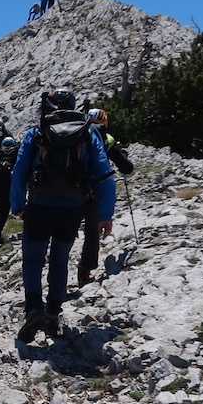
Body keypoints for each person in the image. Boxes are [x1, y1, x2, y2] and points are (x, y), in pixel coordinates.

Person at [10, 88, 116, 341]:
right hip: (72, 207)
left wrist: (17, 205)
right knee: (60, 259)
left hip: (39, 205)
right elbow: (104, 174)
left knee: (32, 260)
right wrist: (105, 213)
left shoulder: (37, 132)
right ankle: (52, 315)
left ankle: (34, 309)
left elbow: (19, 172)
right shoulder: (88, 132)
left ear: (48, 107)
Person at [77, 108, 135, 286]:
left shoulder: (76, 134)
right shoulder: (105, 138)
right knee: (92, 230)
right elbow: (127, 168)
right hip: (94, 188)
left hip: (70, 187)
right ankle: (84, 272)